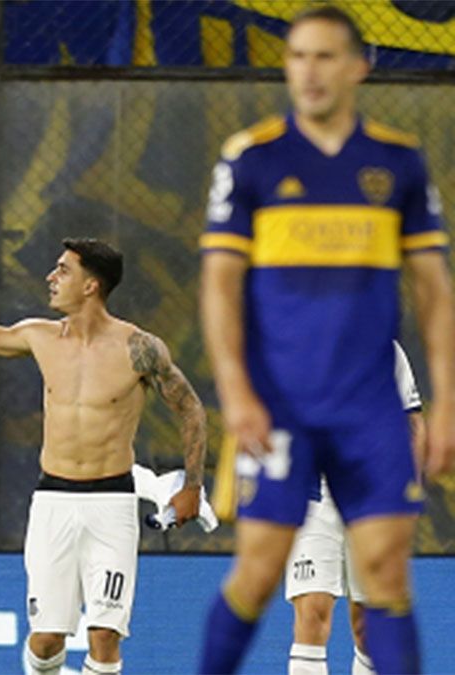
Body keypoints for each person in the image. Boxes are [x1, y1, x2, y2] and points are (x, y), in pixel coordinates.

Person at [198, 6, 455, 673]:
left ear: (358, 67)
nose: (309, 72)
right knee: (256, 576)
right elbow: (219, 285)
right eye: (298, 57)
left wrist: (446, 407)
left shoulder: (397, 162)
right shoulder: (251, 159)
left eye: (324, 57)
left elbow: (432, 290)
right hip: (282, 407)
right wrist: (236, 393)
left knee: (386, 580)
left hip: (370, 410)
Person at [0, 237, 208, 675]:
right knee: (47, 638)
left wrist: (192, 487)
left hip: (112, 505)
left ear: (91, 285)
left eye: (63, 270)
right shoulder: (40, 336)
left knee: (105, 634)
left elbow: (190, 409)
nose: (51, 278)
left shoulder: (140, 348)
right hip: (53, 502)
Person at [284, 342, 425, 675]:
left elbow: (413, 421)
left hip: (372, 500)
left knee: (368, 626)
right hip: (312, 496)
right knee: (313, 612)